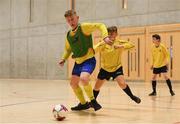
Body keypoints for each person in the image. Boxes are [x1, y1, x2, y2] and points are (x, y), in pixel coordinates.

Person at [59, 10, 112, 111]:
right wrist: (64, 58)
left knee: (84, 79)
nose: (71, 22)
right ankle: (83, 104)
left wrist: (104, 36)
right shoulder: (68, 35)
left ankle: (93, 101)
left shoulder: (84, 27)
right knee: (73, 83)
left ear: (77, 18)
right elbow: (68, 49)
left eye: (72, 19)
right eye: (68, 20)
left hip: (88, 60)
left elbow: (100, 25)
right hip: (78, 63)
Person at [93, 26, 141, 104]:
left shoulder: (119, 42)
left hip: (117, 68)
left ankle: (132, 97)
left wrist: (121, 46)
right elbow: (94, 49)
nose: (111, 35)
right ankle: (93, 102)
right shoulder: (103, 44)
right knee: (96, 87)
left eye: (113, 34)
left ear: (116, 34)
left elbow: (132, 45)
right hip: (105, 69)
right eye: (109, 34)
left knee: (122, 84)